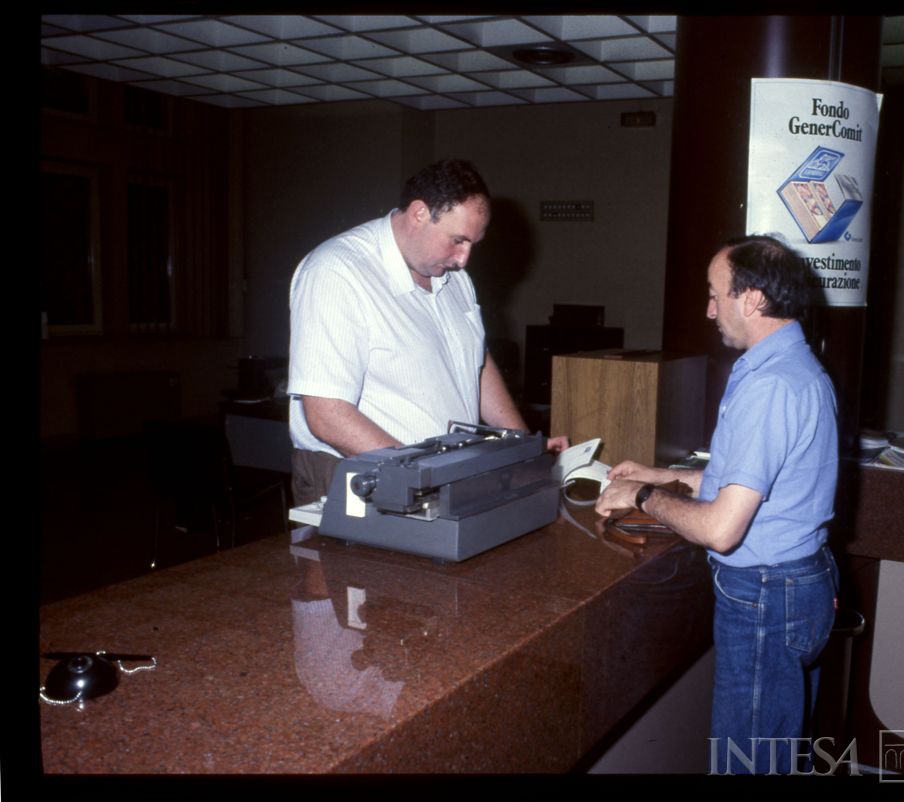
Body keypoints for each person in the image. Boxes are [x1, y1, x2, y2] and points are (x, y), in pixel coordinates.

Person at [595, 234, 840, 775]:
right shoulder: (795, 368)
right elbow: (754, 483)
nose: (709, 310)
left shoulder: (769, 386)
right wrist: (664, 474)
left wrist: (642, 495)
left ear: (751, 298)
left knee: (748, 765)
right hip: (801, 583)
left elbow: (722, 529)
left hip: (766, 596)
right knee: (777, 755)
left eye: (714, 294)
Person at [288, 159, 565, 506]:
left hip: (438, 472)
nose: (464, 259)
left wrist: (522, 448)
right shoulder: (336, 273)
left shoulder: (454, 278)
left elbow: (475, 364)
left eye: (473, 244)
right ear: (419, 213)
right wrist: (422, 475)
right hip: (360, 471)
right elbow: (327, 416)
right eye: (458, 240)